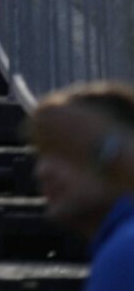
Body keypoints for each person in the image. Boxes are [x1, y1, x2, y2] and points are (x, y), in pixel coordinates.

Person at [31, 84, 134, 291]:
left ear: (111, 155)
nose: (42, 170)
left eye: (63, 151)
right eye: (42, 153)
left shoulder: (125, 254)